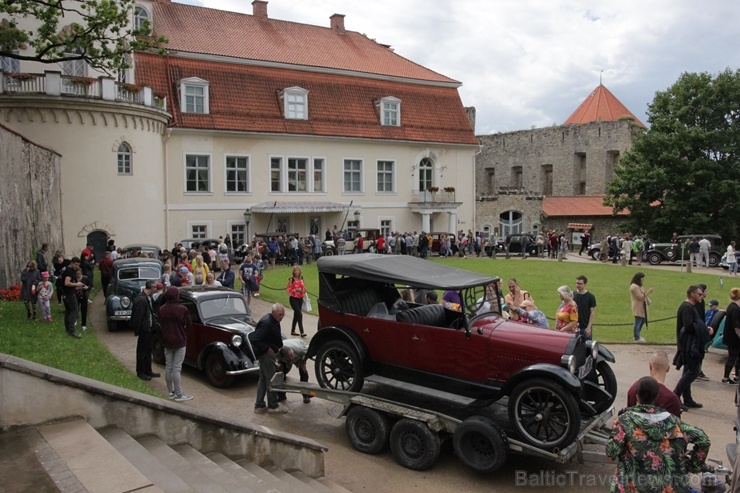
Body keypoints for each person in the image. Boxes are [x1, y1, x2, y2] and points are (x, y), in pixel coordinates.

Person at [606, 376, 710, 493]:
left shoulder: (624, 421)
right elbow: (703, 439)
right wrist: (692, 466)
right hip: (670, 487)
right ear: (656, 397)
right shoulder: (675, 422)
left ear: (637, 396)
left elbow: (611, 453)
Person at [673, 285, 712, 410]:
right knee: (693, 371)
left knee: (688, 371)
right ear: (692, 294)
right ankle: (675, 395)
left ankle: (688, 399)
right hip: (688, 345)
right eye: (700, 294)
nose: (702, 296)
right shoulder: (687, 308)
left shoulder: (691, 307)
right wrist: (704, 330)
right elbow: (689, 326)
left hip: (689, 344)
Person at [249, 303, 287, 414]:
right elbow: (255, 339)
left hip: (266, 354)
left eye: (283, 315)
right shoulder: (267, 323)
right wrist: (267, 349)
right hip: (266, 355)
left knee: (263, 379)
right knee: (271, 380)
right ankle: (272, 406)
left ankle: (260, 405)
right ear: (274, 313)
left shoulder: (273, 321)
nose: (282, 317)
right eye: (280, 314)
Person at [158, 286, 193, 402]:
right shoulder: (182, 309)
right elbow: (188, 323)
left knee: (169, 366)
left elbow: (160, 322)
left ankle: (171, 391)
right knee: (177, 368)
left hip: (167, 340)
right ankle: (179, 394)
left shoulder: (162, 309)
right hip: (180, 340)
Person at [626, 351, 682, 417]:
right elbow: (676, 425)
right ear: (668, 369)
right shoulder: (672, 399)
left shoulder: (634, 389)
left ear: (650, 366)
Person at [130, 279, 160, 381]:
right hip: (144, 330)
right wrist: (137, 330)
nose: (156, 289)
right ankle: (140, 372)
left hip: (149, 328)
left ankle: (148, 370)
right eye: (155, 287)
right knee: (142, 351)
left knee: (148, 350)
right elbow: (138, 316)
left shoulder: (147, 297)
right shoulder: (142, 299)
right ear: (151, 288)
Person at [276, 338, 311, 404]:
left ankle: (306, 395)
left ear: (291, 352)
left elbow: (309, 352)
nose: (291, 358)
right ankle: (281, 395)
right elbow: (271, 359)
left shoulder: (299, 349)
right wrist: (277, 365)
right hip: (284, 358)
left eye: (291, 356)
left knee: (303, 371)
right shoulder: (277, 352)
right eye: (289, 357)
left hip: (299, 355)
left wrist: (303, 361)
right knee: (280, 373)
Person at [721, 288, 740, 385]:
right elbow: (736, 327)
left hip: (730, 336)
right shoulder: (735, 309)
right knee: (732, 358)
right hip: (734, 338)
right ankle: (726, 377)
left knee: (737, 357)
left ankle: (737, 376)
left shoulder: (731, 306)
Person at [629, 272, 654, 343]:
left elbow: (643, 294)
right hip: (638, 306)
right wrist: (648, 292)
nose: (643, 280)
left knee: (642, 320)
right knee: (638, 321)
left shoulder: (639, 286)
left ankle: (637, 335)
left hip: (642, 306)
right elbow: (640, 297)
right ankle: (636, 337)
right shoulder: (634, 287)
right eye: (642, 278)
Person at [62, 258, 82, 338]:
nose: (77, 267)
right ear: (72, 263)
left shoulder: (67, 270)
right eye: (76, 265)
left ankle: (68, 329)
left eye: (78, 265)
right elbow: (66, 283)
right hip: (69, 294)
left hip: (65, 294)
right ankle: (72, 330)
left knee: (68, 311)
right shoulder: (69, 271)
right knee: (75, 311)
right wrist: (77, 284)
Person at [573, 275, 596, 340]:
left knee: (587, 347)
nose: (578, 285)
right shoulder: (572, 294)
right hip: (574, 327)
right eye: (577, 283)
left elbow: (592, 313)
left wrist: (589, 327)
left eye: (580, 283)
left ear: (585, 284)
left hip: (585, 327)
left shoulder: (590, 297)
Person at [286, 267, 306, 337]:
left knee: (296, 315)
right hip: (293, 299)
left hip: (300, 299)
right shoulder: (291, 279)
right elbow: (288, 289)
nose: (296, 272)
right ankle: (302, 332)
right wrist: (294, 292)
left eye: (297, 270)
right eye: (295, 270)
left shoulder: (302, 279)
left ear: (300, 271)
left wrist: (303, 292)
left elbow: (304, 288)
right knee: (299, 314)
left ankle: (293, 330)